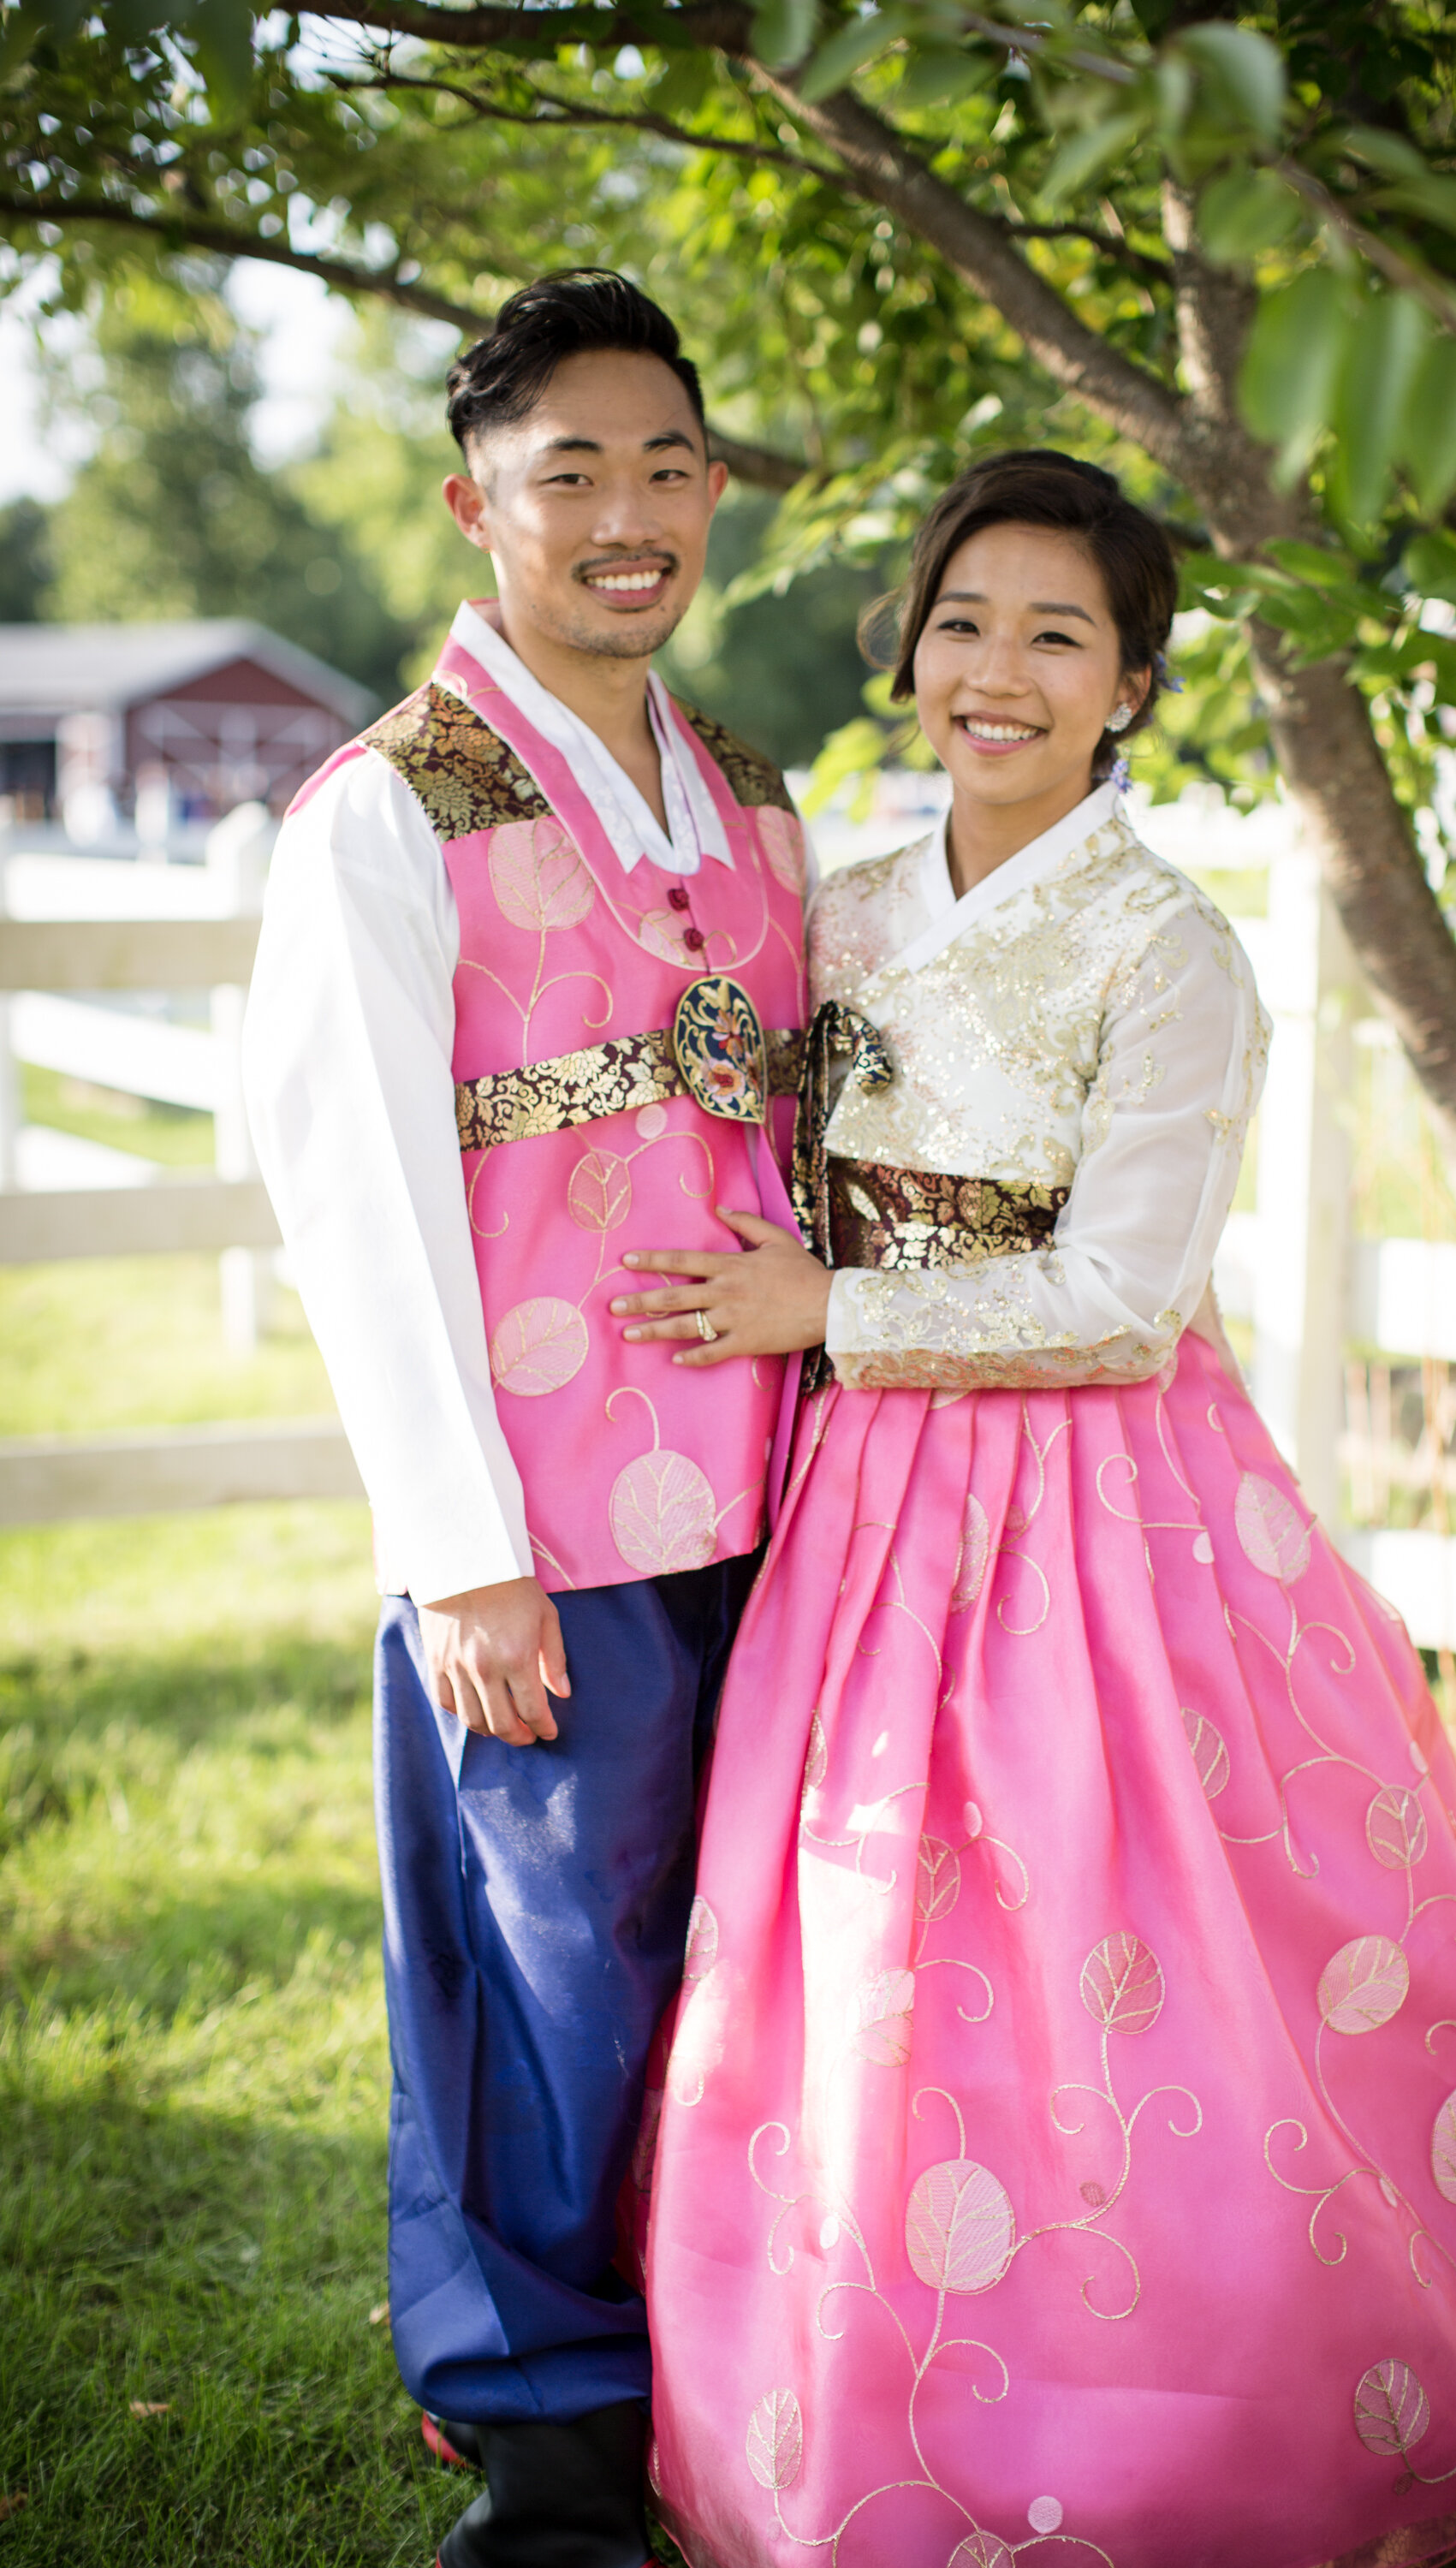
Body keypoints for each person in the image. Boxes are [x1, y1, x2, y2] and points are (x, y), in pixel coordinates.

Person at [611, 449, 1456, 2568]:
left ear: (1133, 683)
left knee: (1109, 1921)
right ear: (912, 646)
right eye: (963, 622)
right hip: (867, 1490)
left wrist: (830, 1301)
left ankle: (1186, 2374)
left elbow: (1125, 1298)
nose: (996, 671)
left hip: (1096, 1502)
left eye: (1057, 636)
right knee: (868, 1927)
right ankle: (848, 2376)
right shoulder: (848, 910)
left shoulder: (1168, 951)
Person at [243, 270, 811, 2568]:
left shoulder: (751, 790)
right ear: (480, 507)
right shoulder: (389, 814)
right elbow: (358, 1192)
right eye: (571, 471)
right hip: (546, 1520)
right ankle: (544, 2437)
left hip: (782, 1485)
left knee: (745, 1949)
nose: (630, 513)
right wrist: (455, 1545)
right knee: (545, 1967)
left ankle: (735, 2359)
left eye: (668, 465)